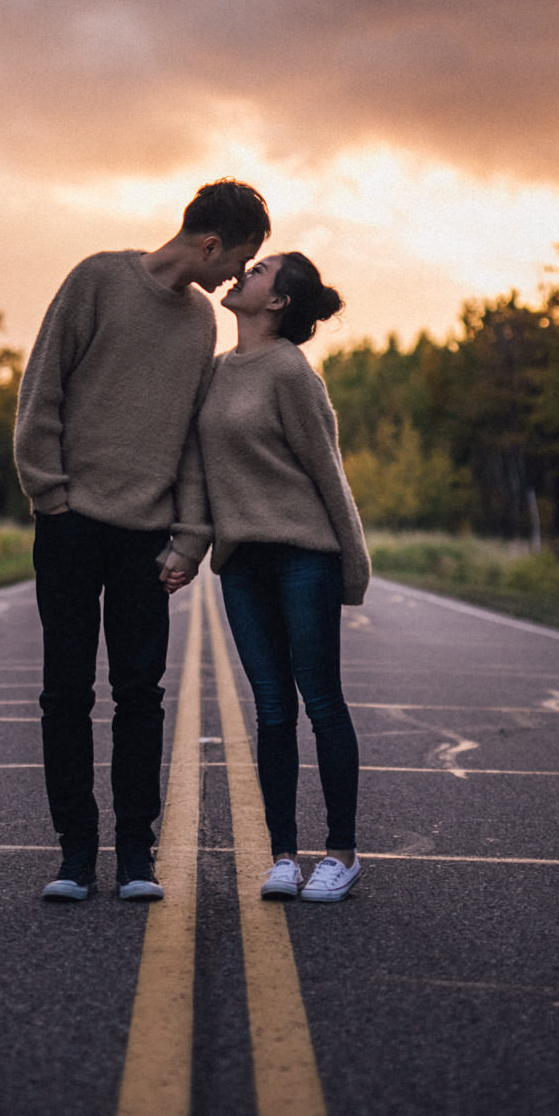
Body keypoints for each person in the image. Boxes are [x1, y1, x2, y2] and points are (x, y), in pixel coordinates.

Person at [13, 178, 271, 904]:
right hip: (68, 525)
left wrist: (189, 537)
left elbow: (192, 439)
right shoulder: (96, 280)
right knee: (64, 692)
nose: (232, 281)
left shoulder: (199, 326)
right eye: (236, 262)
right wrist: (50, 496)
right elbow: (43, 391)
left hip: (144, 540)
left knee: (139, 696)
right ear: (210, 243)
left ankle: (134, 855)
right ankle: (73, 856)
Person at [163, 252, 369, 903]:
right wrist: (189, 548)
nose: (242, 272)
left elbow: (326, 470)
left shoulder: (290, 373)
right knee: (272, 709)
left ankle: (340, 854)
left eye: (259, 270)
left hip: (304, 555)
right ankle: (283, 855)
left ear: (277, 302)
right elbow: (196, 471)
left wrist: (351, 561)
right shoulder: (217, 373)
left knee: (320, 700)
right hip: (242, 564)